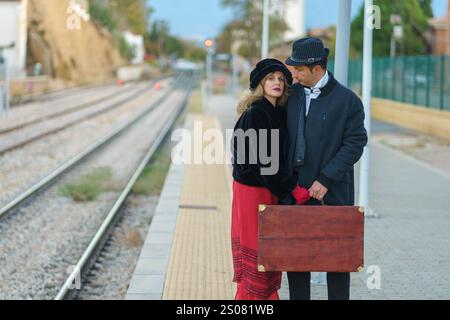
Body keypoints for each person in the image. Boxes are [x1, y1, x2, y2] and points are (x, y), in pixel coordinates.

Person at [284, 37, 368, 300]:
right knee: (296, 262)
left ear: (317, 69)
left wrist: (326, 178)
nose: (293, 74)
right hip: (294, 193)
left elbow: (356, 143)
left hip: (333, 193)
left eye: (298, 69)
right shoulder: (292, 94)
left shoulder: (348, 101)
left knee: (337, 262)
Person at [231, 58, 310, 300]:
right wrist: (291, 190)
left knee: (267, 254)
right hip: (254, 193)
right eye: (270, 78)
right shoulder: (258, 114)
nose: (276, 82)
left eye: (280, 78)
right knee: (259, 257)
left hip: (265, 191)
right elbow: (264, 165)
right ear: (260, 84)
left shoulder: (274, 111)